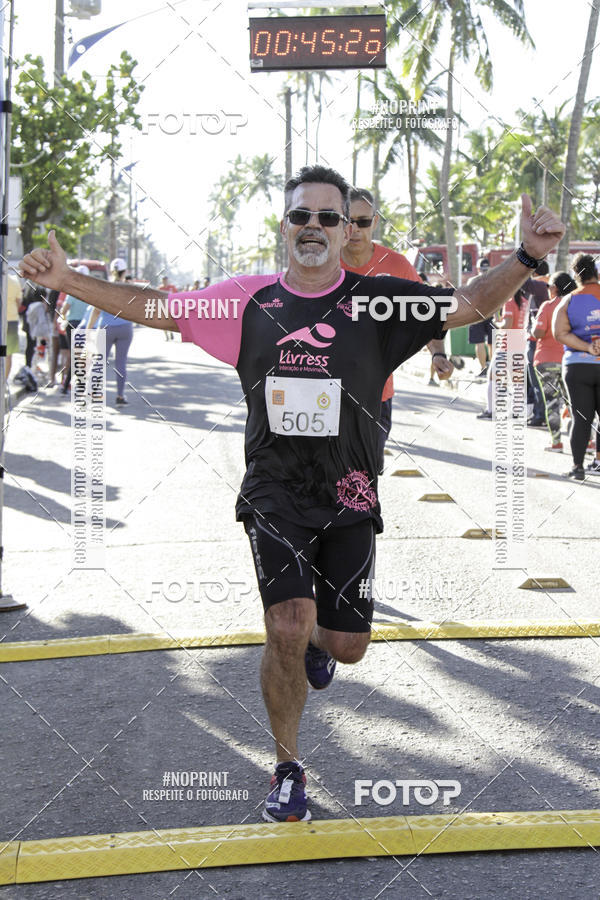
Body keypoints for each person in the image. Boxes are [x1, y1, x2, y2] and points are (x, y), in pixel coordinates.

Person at [20, 165, 566, 823]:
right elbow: (153, 305)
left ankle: (316, 645)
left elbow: (470, 304)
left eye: (328, 218)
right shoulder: (245, 301)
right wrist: (64, 281)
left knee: (346, 645)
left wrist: (530, 255)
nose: (313, 227)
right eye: (301, 215)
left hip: (351, 491)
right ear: (284, 226)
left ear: (345, 231)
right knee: (285, 623)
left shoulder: (379, 302)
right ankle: (287, 768)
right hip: (275, 490)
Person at [340, 188, 453, 472]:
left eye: (363, 222)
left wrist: (437, 354)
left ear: (375, 222)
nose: (355, 229)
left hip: (376, 394)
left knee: (366, 476)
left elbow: (426, 312)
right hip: (326, 391)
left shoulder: (396, 265)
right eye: (348, 221)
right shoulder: (324, 263)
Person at [552, 253, 600, 480]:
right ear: (597, 273)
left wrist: (586, 347)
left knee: (582, 417)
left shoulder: (569, 300)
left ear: (575, 274)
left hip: (578, 365)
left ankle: (578, 467)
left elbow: (559, 333)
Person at [532, 272, 576, 451]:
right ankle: (587, 441)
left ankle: (556, 442)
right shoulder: (574, 305)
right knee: (575, 403)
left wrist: (534, 324)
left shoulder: (548, 306)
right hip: (570, 361)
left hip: (546, 361)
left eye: (548, 286)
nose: (547, 289)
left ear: (555, 288)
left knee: (552, 403)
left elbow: (538, 333)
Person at [86, 258, 135, 404]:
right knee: (121, 362)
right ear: (125, 272)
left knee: (99, 362)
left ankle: (91, 393)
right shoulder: (130, 289)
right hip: (125, 328)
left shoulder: (105, 288)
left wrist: (88, 329)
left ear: (111, 271)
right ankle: (120, 395)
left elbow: (96, 311)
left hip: (106, 327)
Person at [476, 287, 529, 419]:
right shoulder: (525, 302)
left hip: (507, 345)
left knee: (492, 375)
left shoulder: (510, 302)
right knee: (517, 380)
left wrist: (496, 322)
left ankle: (490, 410)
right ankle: (516, 411)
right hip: (521, 344)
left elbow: (507, 325)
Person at [523, 261, 550, 425]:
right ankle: (540, 413)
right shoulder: (549, 284)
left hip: (536, 340)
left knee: (537, 381)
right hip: (542, 339)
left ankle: (540, 415)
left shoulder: (540, 285)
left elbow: (521, 282)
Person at [60, 265, 91, 394]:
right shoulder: (90, 292)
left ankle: (68, 384)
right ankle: (81, 384)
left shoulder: (72, 291)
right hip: (87, 325)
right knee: (85, 356)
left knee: (75, 355)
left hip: (72, 325)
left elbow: (63, 310)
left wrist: (63, 319)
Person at [468, 257, 493, 378]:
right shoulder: (495, 280)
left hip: (476, 314)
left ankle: (483, 368)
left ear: (478, 268)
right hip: (491, 312)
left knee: (479, 342)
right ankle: (492, 369)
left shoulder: (473, 281)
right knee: (492, 343)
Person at [5, 272, 22, 381]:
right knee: (7, 353)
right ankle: (3, 383)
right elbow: (18, 302)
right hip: (11, 320)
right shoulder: (14, 280)